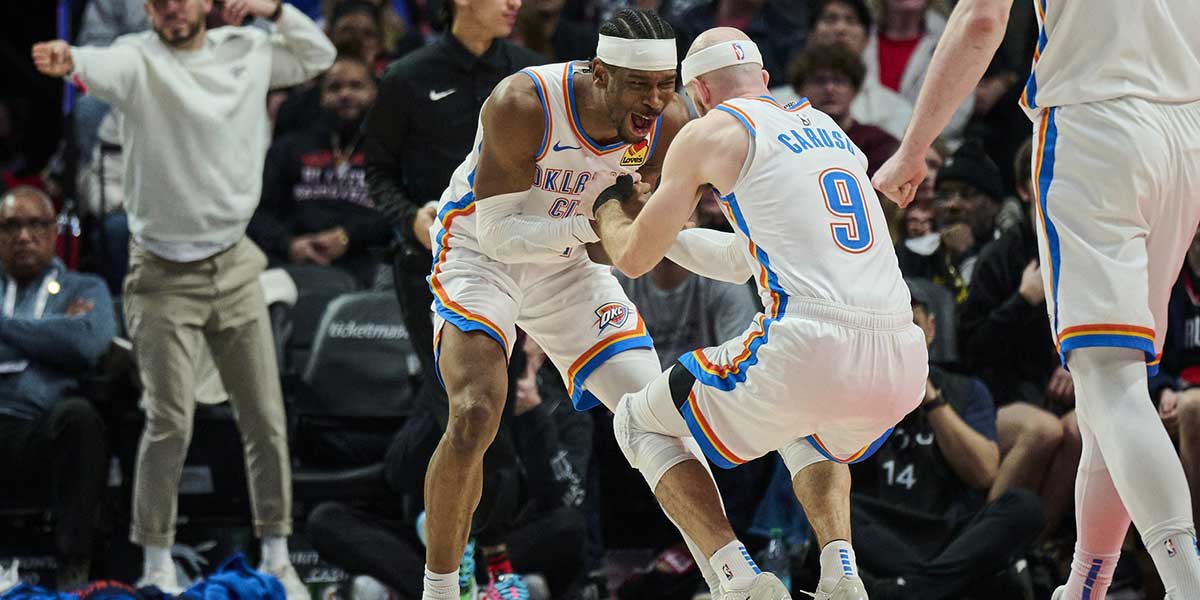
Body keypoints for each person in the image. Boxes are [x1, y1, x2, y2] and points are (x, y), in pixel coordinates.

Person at [871, 0, 1200, 596]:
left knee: (1111, 386)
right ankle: (1083, 585)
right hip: (1187, 135)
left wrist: (914, 147)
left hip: (1098, 124)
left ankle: (1187, 584)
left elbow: (980, 19)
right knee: (1114, 393)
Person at [590, 26, 927, 600]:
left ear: (696, 91)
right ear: (765, 81)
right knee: (804, 430)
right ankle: (841, 574)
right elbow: (748, 259)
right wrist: (671, 232)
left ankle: (739, 581)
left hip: (811, 342)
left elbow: (634, 258)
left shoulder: (709, 130)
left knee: (637, 421)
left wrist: (612, 212)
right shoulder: (828, 128)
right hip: (901, 357)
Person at [417, 8, 743, 600]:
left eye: (665, 85)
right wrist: (599, 227)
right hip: (482, 251)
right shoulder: (525, 101)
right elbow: (498, 234)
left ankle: (738, 579)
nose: (654, 100)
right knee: (475, 412)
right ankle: (438, 591)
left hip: (569, 263)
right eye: (639, 85)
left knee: (657, 415)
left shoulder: (668, 125)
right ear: (598, 74)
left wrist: (754, 256)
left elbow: (657, 235)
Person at [31, 0, 335, 597]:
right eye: (159, 1)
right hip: (162, 272)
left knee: (266, 420)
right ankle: (156, 560)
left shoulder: (247, 52)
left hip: (236, 264)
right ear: (148, 10)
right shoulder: (137, 59)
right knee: (168, 420)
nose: (172, 8)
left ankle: (276, 552)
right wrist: (70, 61)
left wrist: (274, 9)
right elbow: (98, 64)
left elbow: (317, 55)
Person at [363, 0, 542, 595]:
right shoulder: (407, 77)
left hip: (511, 264)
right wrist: (410, 216)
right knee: (460, 409)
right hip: (430, 266)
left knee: (500, 416)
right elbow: (376, 175)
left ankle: (489, 552)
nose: (515, 3)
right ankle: (455, 562)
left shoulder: (529, 76)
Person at [849, 282, 1042, 600]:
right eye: (891, 328)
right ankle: (949, 584)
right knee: (828, 510)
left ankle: (912, 591)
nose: (901, 339)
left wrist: (932, 400)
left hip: (948, 532)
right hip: (883, 529)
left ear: (931, 330)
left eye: (911, 326)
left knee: (1024, 507)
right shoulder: (858, 390)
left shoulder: (967, 390)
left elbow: (984, 473)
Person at [959, 138, 1080, 540]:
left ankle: (1034, 553)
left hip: (1062, 396)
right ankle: (979, 549)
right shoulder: (1001, 256)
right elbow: (971, 348)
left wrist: (1071, 364)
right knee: (1043, 430)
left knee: (1081, 431)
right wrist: (1023, 300)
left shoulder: (1083, 251)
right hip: (996, 397)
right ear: (1026, 189)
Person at [0, 187, 117, 589]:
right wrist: (54, 333)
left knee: (80, 418)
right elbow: (67, 339)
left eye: (36, 225)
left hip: (41, 431)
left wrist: (5, 328)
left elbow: (87, 342)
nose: (24, 236)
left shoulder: (85, 289)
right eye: (11, 226)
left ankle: (73, 572)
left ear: (55, 233)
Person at [249, 54, 387, 287]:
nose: (345, 94)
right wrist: (289, 244)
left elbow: (399, 216)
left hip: (368, 261)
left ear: (374, 93)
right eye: (335, 87)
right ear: (322, 98)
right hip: (294, 262)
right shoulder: (289, 149)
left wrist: (348, 236)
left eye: (356, 86)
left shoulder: (389, 151)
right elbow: (259, 213)